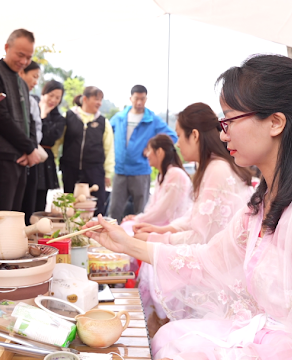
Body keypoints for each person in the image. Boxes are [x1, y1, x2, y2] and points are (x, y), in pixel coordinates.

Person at [83, 54, 292, 360]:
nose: (223, 134)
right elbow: (209, 259)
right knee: (169, 340)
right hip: (274, 337)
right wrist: (128, 244)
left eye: (229, 120)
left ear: (276, 122)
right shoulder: (264, 202)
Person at [133, 103, 253, 247]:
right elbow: (196, 217)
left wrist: (155, 238)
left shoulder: (216, 169)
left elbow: (202, 237)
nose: (177, 144)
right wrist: (162, 230)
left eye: (179, 136)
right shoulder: (212, 166)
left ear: (194, 135)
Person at [120, 134, 192, 335]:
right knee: (128, 225)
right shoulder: (164, 174)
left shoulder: (176, 174)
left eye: (149, 150)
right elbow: (155, 208)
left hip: (169, 229)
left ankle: (153, 313)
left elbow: (163, 212)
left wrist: (141, 221)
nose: (146, 154)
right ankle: (126, 279)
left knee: (129, 229)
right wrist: (139, 218)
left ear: (160, 152)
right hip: (160, 225)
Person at [0, 29, 39, 228]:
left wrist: (31, 149)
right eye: (20, 55)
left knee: (14, 218)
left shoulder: (21, 82)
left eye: (28, 57)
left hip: (19, 158)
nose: (23, 61)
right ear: (7, 47)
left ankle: (9, 260)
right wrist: (28, 148)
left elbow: (28, 119)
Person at [108, 85, 178, 223]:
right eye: (136, 99)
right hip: (120, 171)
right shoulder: (119, 117)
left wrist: (149, 147)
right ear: (130, 98)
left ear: (146, 99)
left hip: (140, 171)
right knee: (114, 211)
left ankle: (139, 241)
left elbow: (172, 136)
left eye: (142, 99)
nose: (139, 102)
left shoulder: (152, 119)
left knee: (143, 211)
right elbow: (106, 136)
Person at [58, 86, 115, 215]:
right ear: (85, 99)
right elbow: (58, 141)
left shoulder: (103, 122)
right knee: (70, 205)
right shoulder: (68, 116)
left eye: (101, 100)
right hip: (70, 169)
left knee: (96, 206)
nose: (99, 103)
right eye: (96, 99)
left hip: (95, 171)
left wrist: (108, 173)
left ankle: (94, 232)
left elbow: (109, 149)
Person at [34, 80, 66, 212]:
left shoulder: (59, 119)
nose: (53, 100)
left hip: (45, 160)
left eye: (57, 97)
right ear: (44, 93)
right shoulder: (32, 106)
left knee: (40, 201)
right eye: (51, 95)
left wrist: (43, 116)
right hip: (28, 155)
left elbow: (48, 138)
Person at [19, 60, 43, 223]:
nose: (35, 82)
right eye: (33, 76)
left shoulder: (32, 101)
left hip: (30, 156)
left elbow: (36, 129)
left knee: (27, 208)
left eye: (37, 78)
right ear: (21, 73)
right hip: (15, 157)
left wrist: (30, 150)